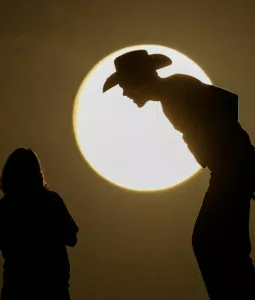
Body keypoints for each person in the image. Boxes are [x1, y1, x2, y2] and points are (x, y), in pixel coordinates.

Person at [103, 50, 255, 300]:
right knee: (217, 242)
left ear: (137, 79)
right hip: (227, 168)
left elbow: (228, 102)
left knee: (209, 241)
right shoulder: (170, 97)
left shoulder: (177, 88)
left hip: (232, 168)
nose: (124, 93)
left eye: (125, 86)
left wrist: (223, 151)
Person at [0, 148, 78, 300]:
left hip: (16, 288)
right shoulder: (52, 201)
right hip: (53, 288)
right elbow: (72, 238)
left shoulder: (3, 207)